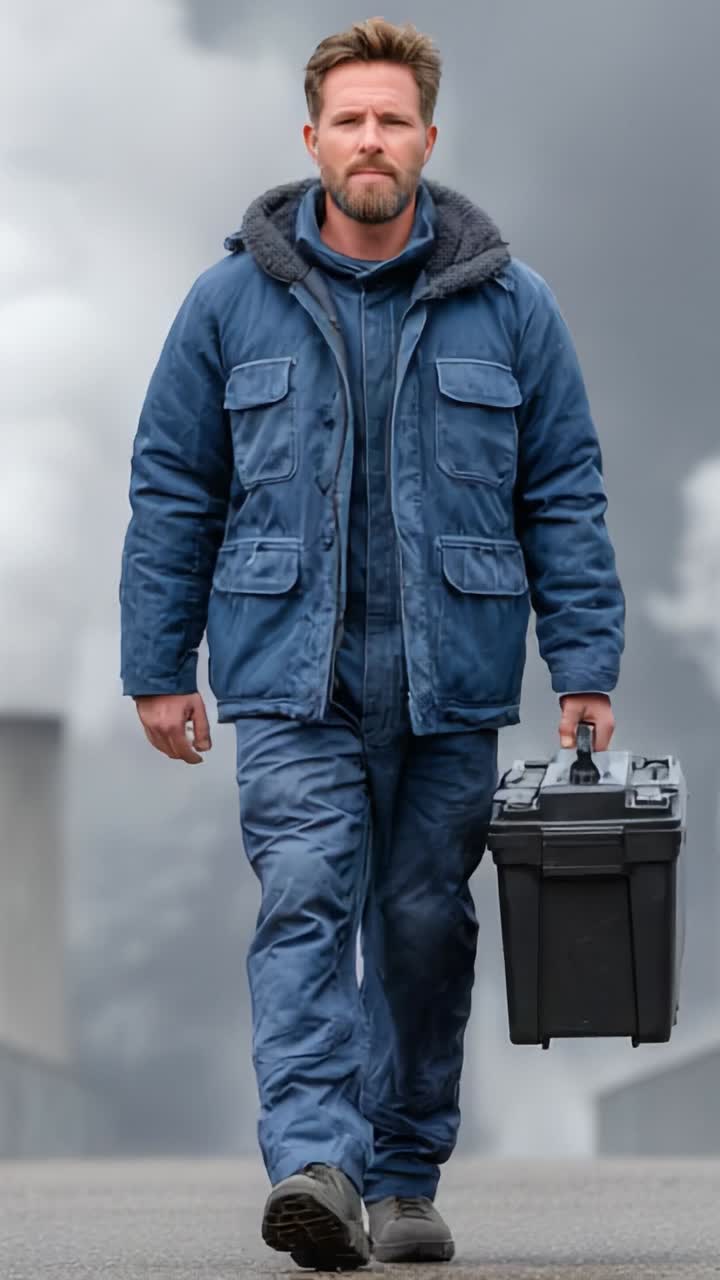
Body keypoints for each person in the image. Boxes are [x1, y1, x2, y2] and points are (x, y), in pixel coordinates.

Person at [119, 16, 625, 1270]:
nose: (370, 138)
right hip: (288, 675)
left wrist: (587, 662)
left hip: (449, 680)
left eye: (391, 118)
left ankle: (402, 1175)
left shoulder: (515, 306)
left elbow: (564, 487)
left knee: (421, 926)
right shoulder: (230, 299)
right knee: (304, 897)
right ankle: (315, 1164)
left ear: (427, 140)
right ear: (311, 139)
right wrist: (155, 662)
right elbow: (173, 485)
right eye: (349, 118)